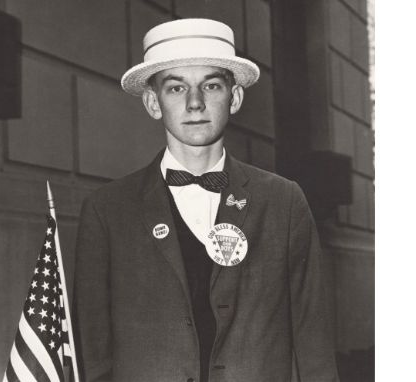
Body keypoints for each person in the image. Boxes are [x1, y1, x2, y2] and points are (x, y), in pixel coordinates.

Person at [72, 18, 339, 382]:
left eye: (211, 85)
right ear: (152, 102)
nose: (195, 103)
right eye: (176, 88)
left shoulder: (283, 202)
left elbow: (314, 344)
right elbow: (92, 354)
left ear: (235, 97)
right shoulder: (108, 210)